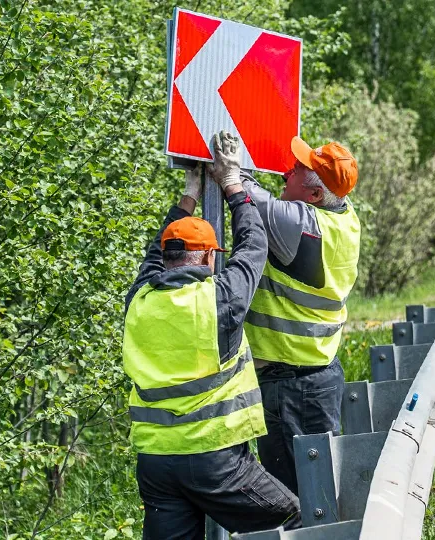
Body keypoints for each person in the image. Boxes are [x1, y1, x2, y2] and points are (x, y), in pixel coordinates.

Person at [123, 131, 300, 539]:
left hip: (156, 462)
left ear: (166, 258)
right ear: (206, 257)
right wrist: (233, 183)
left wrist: (190, 191)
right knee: (293, 518)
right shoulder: (220, 299)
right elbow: (254, 244)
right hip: (213, 460)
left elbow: (155, 252)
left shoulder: (140, 299)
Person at [242, 136, 362, 494]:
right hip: (314, 379)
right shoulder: (343, 216)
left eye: (295, 171)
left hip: (293, 388)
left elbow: (241, 189)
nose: (284, 172)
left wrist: (233, 166)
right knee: (316, 492)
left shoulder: (302, 226)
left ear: (312, 197)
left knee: (295, 499)